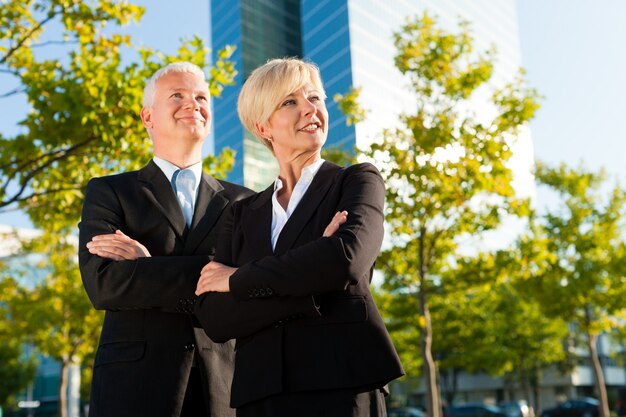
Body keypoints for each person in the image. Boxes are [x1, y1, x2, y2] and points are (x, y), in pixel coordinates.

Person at [194, 58, 404, 417]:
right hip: (261, 393)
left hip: (343, 384)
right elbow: (215, 317)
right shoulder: (240, 214)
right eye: (290, 102)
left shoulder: (357, 181)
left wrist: (238, 279)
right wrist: (311, 279)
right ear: (264, 126)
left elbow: (345, 260)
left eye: (315, 98)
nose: (311, 109)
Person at [78, 62, 253, 417]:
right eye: (177, 95)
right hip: (133, 388)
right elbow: (104, 285)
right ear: (148, 116)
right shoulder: (109, 191)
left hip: (223, 387)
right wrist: (218, 273)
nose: (193, 103)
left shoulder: (246, 202)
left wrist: (148, 268)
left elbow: (250, 286)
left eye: (201, 97)